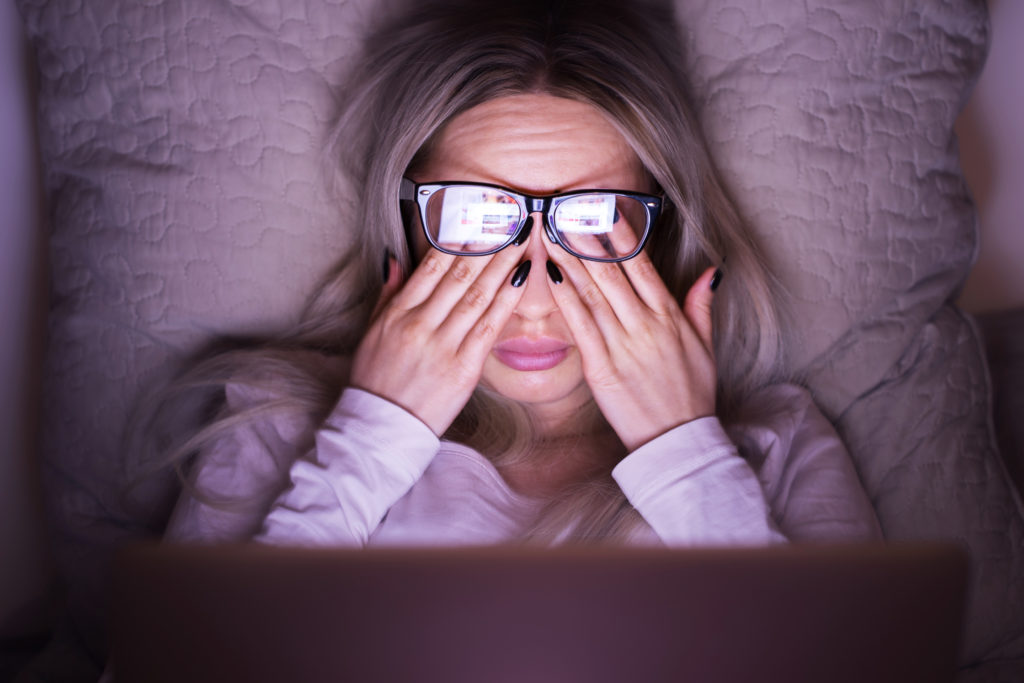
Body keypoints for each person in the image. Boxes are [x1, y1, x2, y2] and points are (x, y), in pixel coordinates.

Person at [155, 0, 881, 546]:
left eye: (594, 219)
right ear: (406, 224)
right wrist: (364, 448)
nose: (534, 296)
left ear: (664, 234)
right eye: (478, 218)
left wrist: (691, 465)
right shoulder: (280, 428)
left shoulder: (778, 449)